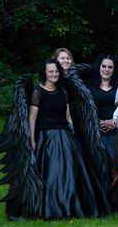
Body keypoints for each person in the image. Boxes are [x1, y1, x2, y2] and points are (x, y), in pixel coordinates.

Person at [27, 59, 112, 218]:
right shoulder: (37, 92)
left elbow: (68, 116)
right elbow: (32, 118)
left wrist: (73, 132)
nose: (54, 74)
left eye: (56, 71)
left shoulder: (63, 92)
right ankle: (51, 206)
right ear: (44, 73)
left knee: (74, 171)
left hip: (65, 135)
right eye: (50, 71)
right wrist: (31, 139)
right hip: (46, 136)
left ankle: (73, 205)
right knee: (52, 171)